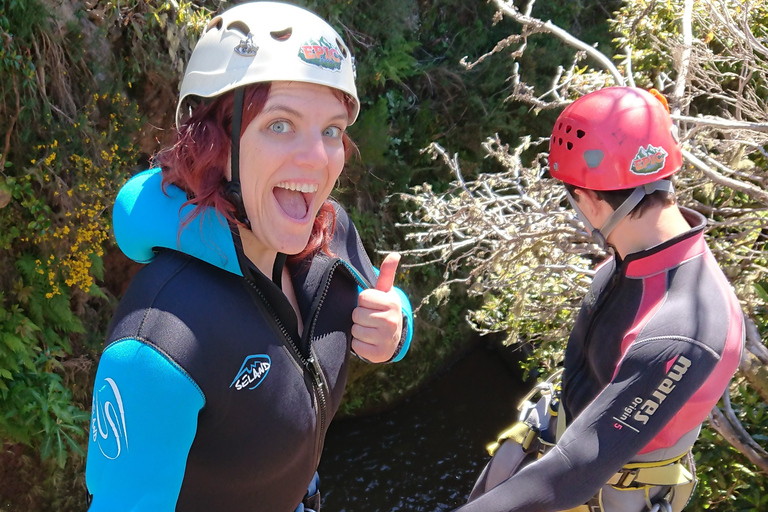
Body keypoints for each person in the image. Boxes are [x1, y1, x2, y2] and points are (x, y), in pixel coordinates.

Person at [84, 2, 413, 511]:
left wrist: (394, 331)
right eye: (280, 125)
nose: (318, 158)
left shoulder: (328, 232)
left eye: (331, 130)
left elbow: (381, 304)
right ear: (213, 141)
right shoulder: (157, 343)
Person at [455, 87, 744, 512]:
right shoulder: (633, 263)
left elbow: (574, 468)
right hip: (555, 446)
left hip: (593, 491)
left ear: (589, 202)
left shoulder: (684, 328)